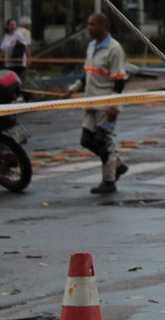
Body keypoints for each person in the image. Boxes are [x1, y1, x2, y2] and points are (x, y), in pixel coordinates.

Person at [66, 13, 129, 194]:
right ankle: (118, 164)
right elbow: (87, 74)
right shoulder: (92, 46)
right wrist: (73, 88)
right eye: (88, 24)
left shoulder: (114, 49)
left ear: (103, 26)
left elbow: (119, 81)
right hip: (91, 101)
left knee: (104, 141)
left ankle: (109, 181)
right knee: (87, 140)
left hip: (106, 104)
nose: (89, 28)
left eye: (92, 24)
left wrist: (114, 106)